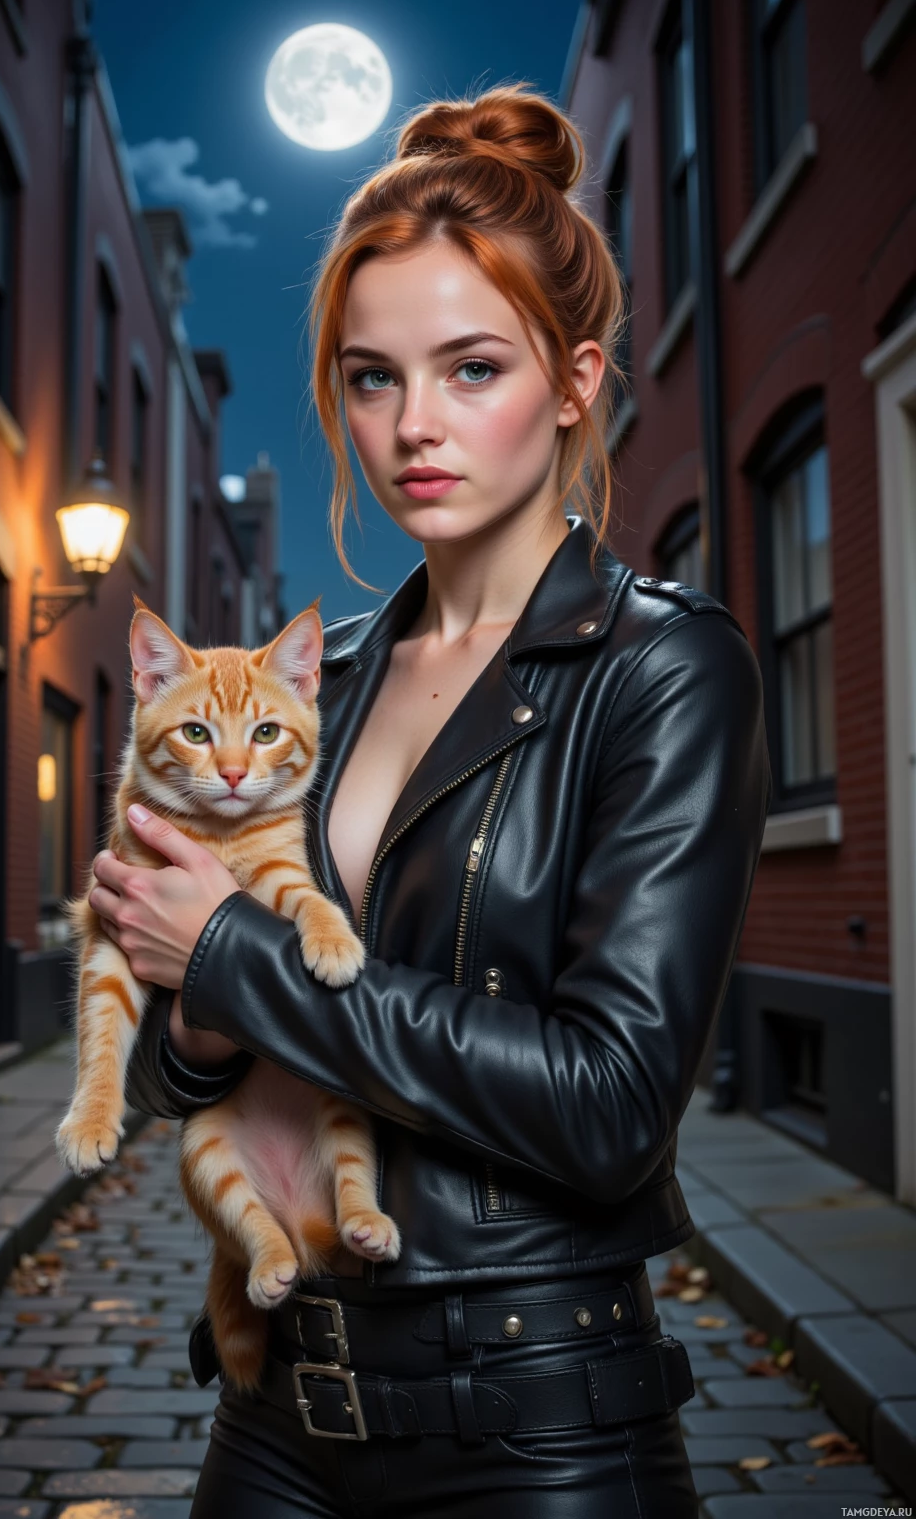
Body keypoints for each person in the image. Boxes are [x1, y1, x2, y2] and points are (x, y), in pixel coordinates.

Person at [88, 84, 770, 1517]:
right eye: (371, 376)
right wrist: (194, 1006)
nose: (413, 427)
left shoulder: (662, 667)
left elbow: (611, 1105)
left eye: (471, 368)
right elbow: (172, 1067)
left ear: (577, 379)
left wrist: (231, 956)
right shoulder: (309, 684)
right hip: (272, 1412)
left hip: (533, 1426)